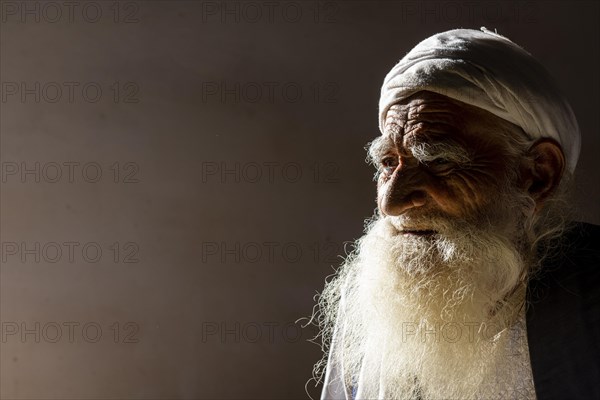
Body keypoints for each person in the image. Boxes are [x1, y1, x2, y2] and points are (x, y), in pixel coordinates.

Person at [314, 28, 600, 400]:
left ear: (537, 175)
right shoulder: (381, 300)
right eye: (388, 162)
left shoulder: (588, 299)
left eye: (437, 160)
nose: (393, 202)